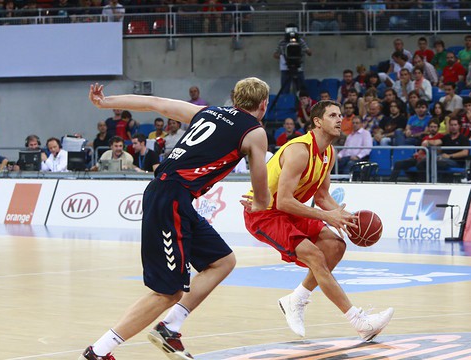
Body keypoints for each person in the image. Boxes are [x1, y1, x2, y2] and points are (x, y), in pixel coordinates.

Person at [80, 78, 271, 360]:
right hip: (171, 198)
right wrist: (261, 204)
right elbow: (261, 186)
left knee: (222, 262)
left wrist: (105, 102)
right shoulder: (255, 133)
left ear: (235, 98)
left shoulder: (207, 111)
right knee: (167, 293)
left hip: (174, 197)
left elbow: (154, 103)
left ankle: (170, 327)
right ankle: (99, 351)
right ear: (263, 104)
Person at [242, 100, 394, 341]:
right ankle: (360, 322)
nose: (339, 119)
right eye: (332, 115)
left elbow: (322, 197)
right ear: (317, 121)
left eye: (340, 115)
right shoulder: (299, 151)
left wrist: (347, 218)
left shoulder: (329, 153)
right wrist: (327, 216)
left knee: (335, 246)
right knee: (315, 255)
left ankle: (296, 299)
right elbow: (282, 201)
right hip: (265, 213)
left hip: (290, 210)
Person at [274, 24, 312, 94]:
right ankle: (286, 102)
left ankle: (302, 102)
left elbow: (309, 52)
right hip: (285, 67)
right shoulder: (282, 42)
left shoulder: (300, 41)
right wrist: (283, 56)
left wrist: (303, 51)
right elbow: (275, 54)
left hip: (298, 67)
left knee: (301, 88)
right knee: (285, 89)